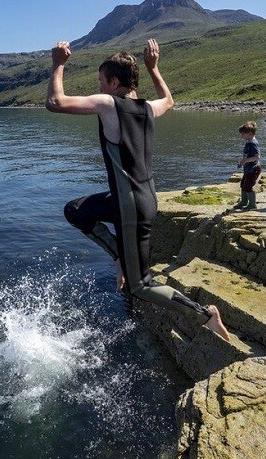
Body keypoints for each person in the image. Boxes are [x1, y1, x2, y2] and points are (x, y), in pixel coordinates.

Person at [45, 38, 230, 341]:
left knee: (140, 285)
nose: (100, 88)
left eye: (102, 82)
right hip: (138, 199)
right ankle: (120, 256)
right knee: (75, 210)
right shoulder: (148, 109)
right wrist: (154, 68)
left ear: (114, 82)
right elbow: (169, 99)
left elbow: (55, 103)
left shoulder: (108, 104)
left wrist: (58, 64)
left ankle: (205, 315)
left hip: (130, 206)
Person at [235, 121, 262, 210]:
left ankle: (252, 204)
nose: (242, 136)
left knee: (248, 186)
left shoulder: (253, 143)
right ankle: (244, 201)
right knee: (243, 185)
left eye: (243, 134)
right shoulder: (248, 142)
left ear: (250, 134)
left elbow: (257, 156)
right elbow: (247, 156)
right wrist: (242, 162)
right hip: (248, 168)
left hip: (253, 169)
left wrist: (246, 160)